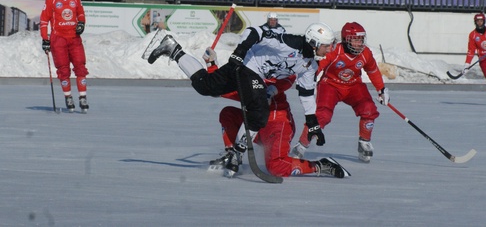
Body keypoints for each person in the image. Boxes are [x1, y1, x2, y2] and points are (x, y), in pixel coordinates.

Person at [145, 23, 349, 179]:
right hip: (248, 66)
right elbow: (255, 31)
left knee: (211, 88)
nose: (330, 49)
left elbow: (306, 93)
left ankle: (173, 49)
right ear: (313, 42)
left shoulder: (309, 66)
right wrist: (240, 52)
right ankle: (235, 153)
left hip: (265, 98)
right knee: (247, 107)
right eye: (326, 46)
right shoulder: (288, 41)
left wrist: (312, 123)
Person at [314, 22, 389, 163]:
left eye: (361, 39)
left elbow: (372, 70)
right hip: (330, 85)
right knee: (322, 115)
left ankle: (364, 142)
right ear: (346, 40)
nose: (359, 43)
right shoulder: (334, 51)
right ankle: (302, 144)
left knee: (369, 109)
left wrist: (381, 89)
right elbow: (317, 67)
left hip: (353, 86)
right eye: (355, 40)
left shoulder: (365, 53)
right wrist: (309, 80)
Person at [40, 0, 89, 113]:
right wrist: (45, 39)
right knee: (63, 69)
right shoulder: (51, 1)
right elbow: (44, 21)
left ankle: (82, 97)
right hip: (58, 39)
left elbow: (81, 13)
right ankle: (68, 96)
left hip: (74, 38)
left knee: (80, 66)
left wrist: (81, 23)